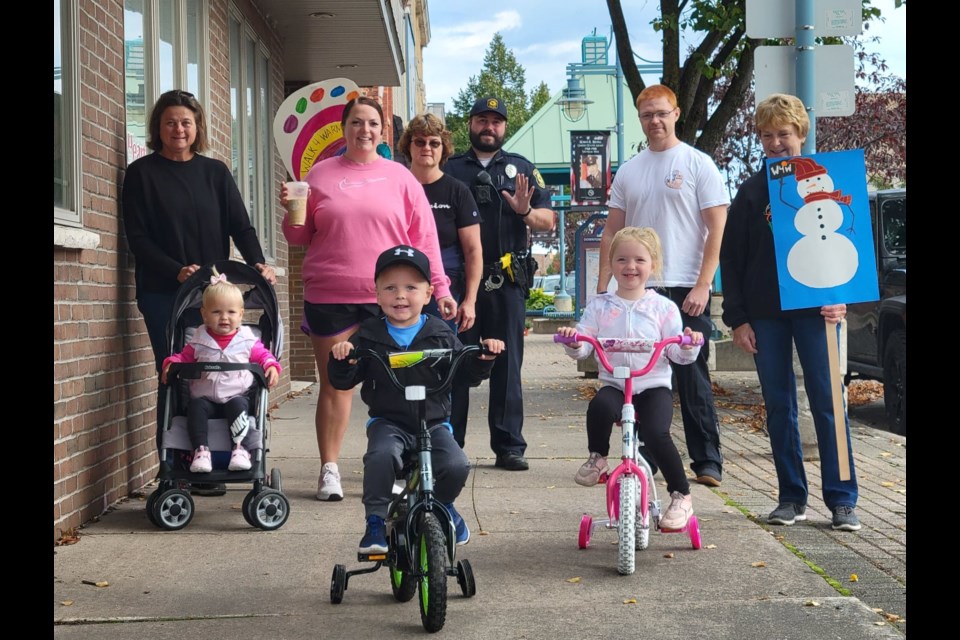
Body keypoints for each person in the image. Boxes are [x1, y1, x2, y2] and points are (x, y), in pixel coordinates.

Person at [282, 96, 458, 501]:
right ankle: (329, 469)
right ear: (343, 128)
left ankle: (395, 464)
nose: (365, 130)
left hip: (392, 299)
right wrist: (290, 209)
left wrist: (442, 289)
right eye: (357, 122)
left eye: (373, 124)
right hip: (331, 294)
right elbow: (298, 237)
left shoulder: (400, 178)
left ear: (384, 132)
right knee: (336, 384)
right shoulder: (320, 174)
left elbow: (424, 241)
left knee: (401, 382)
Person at [123, 89, 276, 496]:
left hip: (210, 294)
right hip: (162, 292)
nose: (179, 129)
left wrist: (258, 263)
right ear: (158, 127)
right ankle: (176, 463)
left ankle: (221, 460)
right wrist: (176, 271)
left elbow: (240, 226)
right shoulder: (142, 174)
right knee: (177, 375)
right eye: (171, 121)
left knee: (222, 377)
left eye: (186, 122)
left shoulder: (215, 172)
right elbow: (137, 238)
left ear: (197, 128)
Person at [719, 93, 860, 531]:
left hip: (819, 312)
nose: (777, 143)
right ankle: (790, 497)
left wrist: (843, 295)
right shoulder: (750, 191)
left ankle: (842, 500)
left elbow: (847, 241)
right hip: (766, 315)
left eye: (785, 134)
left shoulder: (829, 180)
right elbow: (732, 258)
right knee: (779, 405)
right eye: (768, 135)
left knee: (828, 402)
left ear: (801, 134)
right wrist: (738, 319)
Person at [328, 245, 504, 552]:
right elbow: (344, 379)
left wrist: (483, 357)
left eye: (411, 287)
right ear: (377, 294)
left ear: (429, 293)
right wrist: (342, 359)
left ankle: (444, 504)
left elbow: (464, 373)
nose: (400, 296)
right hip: (388, 422)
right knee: (380, 458)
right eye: (391, 288)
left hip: (433, 423)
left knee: (457, 464)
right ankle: (374, 522)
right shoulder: (368, 334)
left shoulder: (440, 333)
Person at [598, 84, 729, 487]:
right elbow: (611, 232)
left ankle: (707, 459)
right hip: (638, 290)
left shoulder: (697, 163)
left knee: (692, 374)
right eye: (647, 115)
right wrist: (603, 290)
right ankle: (649, 457)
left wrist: (703, 284)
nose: (654, 121)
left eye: (661, 113)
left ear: (675, 114)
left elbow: (716, 226)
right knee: (639, 376)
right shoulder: (630, 170)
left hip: (685, 285)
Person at [558, 227, 702, 530]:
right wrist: (575, 341)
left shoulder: (663, 308)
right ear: (611, 264)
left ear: (653, 265)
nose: (630, 267)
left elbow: (676, 351)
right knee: (599, 406)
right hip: (615, 383)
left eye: (639, 260)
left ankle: (681, 495)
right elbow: (585, 342)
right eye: (622, 259)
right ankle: (598, 457)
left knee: (656, 432)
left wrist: (687, 345)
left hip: (652, 386)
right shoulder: (600, 306)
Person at [444, 96, 555, 470]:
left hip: (507, 281)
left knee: (508, 365)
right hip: (460, 283)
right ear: (470, 124)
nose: (489, 127)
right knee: (457, 360)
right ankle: (450, 443)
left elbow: (548, 221)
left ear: (504, 127)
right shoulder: (451, 168)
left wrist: (524, 211)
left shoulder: (522, 169)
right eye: (482, 120)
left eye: (496, 121)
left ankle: (509, 446)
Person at [161, 268, 281, 472]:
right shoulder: (199, 339)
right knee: (195, 407)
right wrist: (171, 363)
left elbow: (263, 356)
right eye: (216, 312)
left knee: (239, 406)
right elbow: (184, 357)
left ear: (241, 314)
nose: (224, 317)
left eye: (231, 312)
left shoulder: (247, 340)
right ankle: (200, 451)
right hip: (205, 398)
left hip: (236, 396)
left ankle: (240, 448)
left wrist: (271, 366)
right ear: (204, 314)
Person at [397, 113, 483, 333]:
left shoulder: (458, 191)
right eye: (420, 142)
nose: (427, 147)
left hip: (443, 287)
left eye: (434, 143)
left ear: (443, 148)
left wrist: (470, 301)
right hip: (398, 285)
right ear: (409, 146)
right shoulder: (395, 186)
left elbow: (473, 250)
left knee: (440, 354)